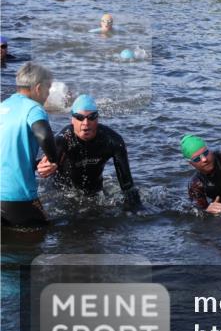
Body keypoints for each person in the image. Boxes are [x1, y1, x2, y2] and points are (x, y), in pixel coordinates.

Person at [37, 95, 141, 211]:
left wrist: (137, 213)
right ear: (72, 119)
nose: (86, 123)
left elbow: (127, 186)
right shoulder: (63, 140)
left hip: (94, 193)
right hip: (61, 193)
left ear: (97, 118)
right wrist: (43, 168)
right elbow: (42, 166)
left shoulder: (113, 141)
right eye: (80, 117)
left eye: (91, 117)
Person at [0, 62, 59, 227]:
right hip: (17, 197)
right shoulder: (33, 108)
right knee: (43, 236)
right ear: (38, 88)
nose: (48, 95)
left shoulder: (3, 106)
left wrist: (34, 164)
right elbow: (44, 135)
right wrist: (53, 159)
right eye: (48, 88)